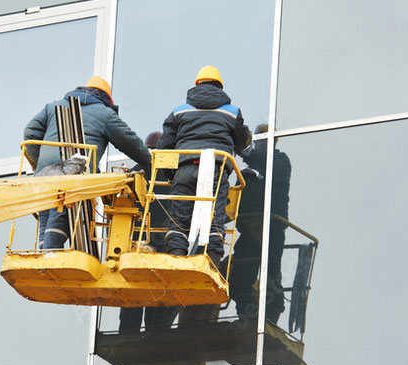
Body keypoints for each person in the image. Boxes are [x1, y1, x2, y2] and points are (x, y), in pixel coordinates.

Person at [24, 76, 151, 249]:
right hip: (75, 173)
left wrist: (42, 163)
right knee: (62, 213)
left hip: (45, 173)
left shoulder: (54, 106)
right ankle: (49, 254)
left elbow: (30, 132)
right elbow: (129, 142)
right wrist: (149, 161)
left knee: (46, 211)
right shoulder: (104, 113)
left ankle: (42, 254)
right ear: (106, 98)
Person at [158, 65, 251, 268]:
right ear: (220, 86)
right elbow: (243, 140)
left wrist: (171, 175)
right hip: (215, 169)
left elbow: (164, 146)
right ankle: (213, 263)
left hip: (184, 167)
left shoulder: (179, 111)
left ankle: (176, 260)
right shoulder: (232, 112)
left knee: (179, 218)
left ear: (197, 85)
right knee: (214, 215)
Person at [229, 124, 292, 323]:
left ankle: (270, 317)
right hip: (248, 229)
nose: (262, 142)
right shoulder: (249, 172)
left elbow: (267, 163)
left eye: (266, 138)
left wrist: (243, 150)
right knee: (239, 274)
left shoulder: (280, 162)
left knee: (271, 274)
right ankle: (247, 315)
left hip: (271, 228)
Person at [119, 131, 179, 333]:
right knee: (158, 293)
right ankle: (156, 334)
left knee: (134, 291)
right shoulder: (173, 172)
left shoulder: (136, 172)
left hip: (138, 241)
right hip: (164, 242)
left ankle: (128, 334)